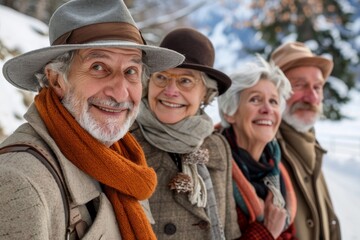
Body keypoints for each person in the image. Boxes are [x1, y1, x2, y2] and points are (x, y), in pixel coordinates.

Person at [0, 0, 185, 239]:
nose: (120, 93)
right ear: (56, 80)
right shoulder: (18, 182)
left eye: (131, 71)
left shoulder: (123, 162)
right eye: (98, 67)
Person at [129, 28, 241, 239]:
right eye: (162, 77)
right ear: (148, 83)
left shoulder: (217, 147)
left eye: (186, 81)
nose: (171, 91)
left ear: (206, 94)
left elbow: (229, 230)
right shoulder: (124, 143)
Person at [217, 55, 296, 239]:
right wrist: (266, 232)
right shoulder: (212, 168)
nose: (267, 109)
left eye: (274, 101)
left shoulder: (275, 168)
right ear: (230, 113)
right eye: (255, 99)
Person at [270, 42, 341, 240]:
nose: (311, 97)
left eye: (317, 87)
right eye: (299, 85)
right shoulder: (260, 149)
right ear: (274, 91)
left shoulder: (311, 145)